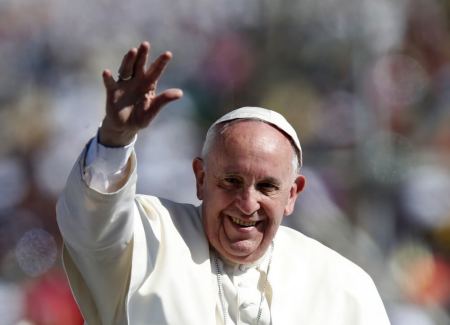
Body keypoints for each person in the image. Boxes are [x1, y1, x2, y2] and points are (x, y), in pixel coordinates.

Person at [56, 41, 390, 325]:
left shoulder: (344, 286)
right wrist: (115, 138)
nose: (247, 204)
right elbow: (92, 223)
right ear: (201, 179)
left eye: (267, 187)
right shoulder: (149, 236)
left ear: (293, 194)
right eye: (231, 181)